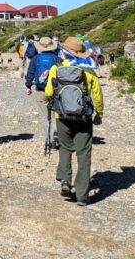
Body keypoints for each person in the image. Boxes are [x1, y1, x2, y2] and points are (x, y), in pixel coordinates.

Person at [45, 36, 104, 206]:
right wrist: (99, 113)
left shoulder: (56, 69)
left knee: (65, 147)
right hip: (83, 117)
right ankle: (82, 196)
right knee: (83, 154)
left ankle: (65, 180)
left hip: (61, 116)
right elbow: (98, 96)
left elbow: (49, 92)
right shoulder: (89, 72)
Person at [25, 36, 59, 125]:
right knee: (57, 109)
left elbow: (30, 73)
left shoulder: (36, 58)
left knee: (44, 112)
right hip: (54, 88)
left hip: (41, 87)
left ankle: (48, 132)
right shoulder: (56, 58)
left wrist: (28, 86)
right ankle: (56, 127)